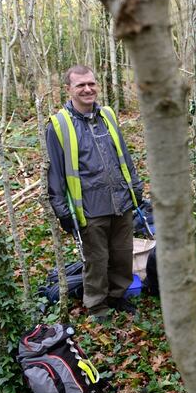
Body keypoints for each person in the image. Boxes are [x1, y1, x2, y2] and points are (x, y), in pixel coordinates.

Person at [46, 65, 143, 321]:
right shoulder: (59, 125)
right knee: (97, 261)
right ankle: (98, 307)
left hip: (120, 200)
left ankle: (117, 297)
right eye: (81, 85)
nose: (88, 89)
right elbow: (55, 173)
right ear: (68, 89)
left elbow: (124, 155)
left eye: (91, 83)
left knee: (123, 256)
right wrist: (62, 211)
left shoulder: (107, 115)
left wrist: (135, 187)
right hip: (89, 207)